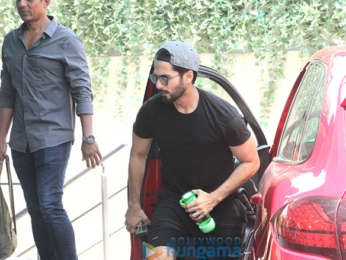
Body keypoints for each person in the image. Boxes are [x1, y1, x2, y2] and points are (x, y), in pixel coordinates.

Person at [125, 41, 260, 260]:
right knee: (155, 257)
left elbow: (251, 161)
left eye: (165, 78)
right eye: (155, 77)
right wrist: (133, 206)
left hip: (221, 206)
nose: (158, 85)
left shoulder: (223, 115)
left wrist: (213, 198)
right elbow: (138, 155)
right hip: (173, 204)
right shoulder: (151, 112)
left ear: (188, 76)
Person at [0, 0, 102, 259]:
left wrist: (88, 136)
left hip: (53, 138)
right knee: (35, 208)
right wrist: (1, 138)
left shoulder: (67, 41)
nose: (22, 4)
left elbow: (82, 90)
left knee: (49, 205)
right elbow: (7, 94)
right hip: (21, 141)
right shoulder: (10, 42)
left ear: (46, 2)